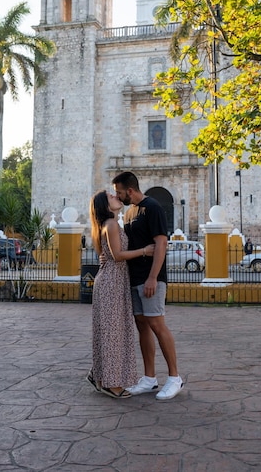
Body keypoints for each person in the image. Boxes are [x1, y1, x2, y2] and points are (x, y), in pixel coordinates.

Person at [112, 171, 183, 401]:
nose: (117, 196)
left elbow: (161, 243)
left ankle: (174, 378)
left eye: (119, 192)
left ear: (129, 190)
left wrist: (153, 277)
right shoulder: (129, 212)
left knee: (157, 323)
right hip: (134, 277)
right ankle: (149, 378)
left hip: (151, 277)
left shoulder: (152, 207)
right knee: (142, 325)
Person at [86, 189, 155, 399]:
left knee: (106, 333)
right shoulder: (112, 224)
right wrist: (145, 251)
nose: (117, 197)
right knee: (113, 333)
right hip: (112, 282)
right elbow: (116, 255)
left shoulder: (106, 225)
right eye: (111, 197)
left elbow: (107, 254)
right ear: (105, 206)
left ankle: (99, 376)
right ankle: (112, 384)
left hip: (109, 280)